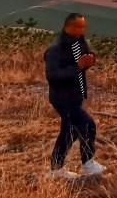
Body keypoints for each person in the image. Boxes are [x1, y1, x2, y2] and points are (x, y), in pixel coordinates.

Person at [44, 12, 106, 179]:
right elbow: (53, 76)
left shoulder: (79, 42)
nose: (82, 29)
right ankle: (88, 164)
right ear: (67, 26)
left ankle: (55, 170)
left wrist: (89, 61)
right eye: (78, 26)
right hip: (62, 99)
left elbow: (84, 61)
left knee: (69, 132)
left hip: (75, 96)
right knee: (88, 125)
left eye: (83, 26)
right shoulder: (55, 49)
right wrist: (78, 67)